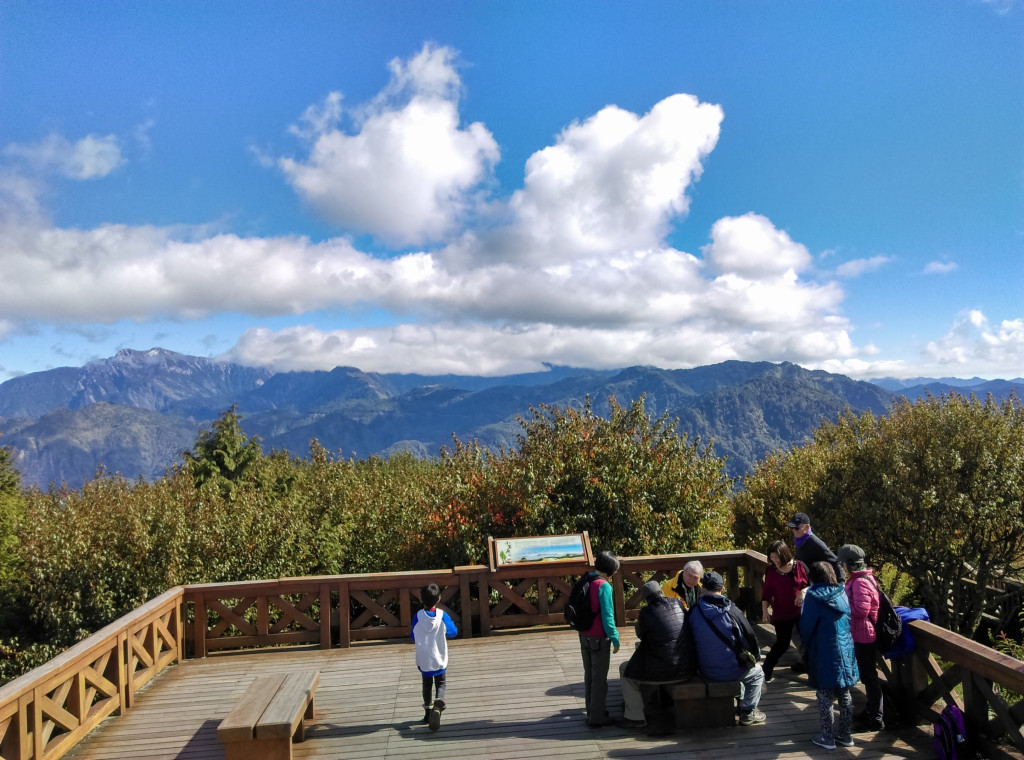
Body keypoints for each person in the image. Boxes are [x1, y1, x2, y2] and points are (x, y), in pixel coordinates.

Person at [688, 571, 766, 726]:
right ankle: (748, 711)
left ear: (703, 589)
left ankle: (740, 700)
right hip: (731, 671)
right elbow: (750, 639)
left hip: (704, 670)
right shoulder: (733, 611)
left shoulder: (694, 612)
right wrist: (756, 658)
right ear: (722, 590)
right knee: (757, 673)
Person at [617, 581, 696, 729]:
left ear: (646, 599)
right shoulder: (678, 604)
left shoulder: (646, 612)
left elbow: (640, 634)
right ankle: (651, 702)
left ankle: (635, 717)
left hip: (665, 672)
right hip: (687, 668)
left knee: (625, 670)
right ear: (661, 592)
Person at [800, 561, 859, 750]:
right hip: (845, 648)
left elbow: (807, 625)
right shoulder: (842, 592)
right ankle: (846, 734)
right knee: (844, 691)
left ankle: (827, 736)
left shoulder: (813, 595)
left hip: (823, 648)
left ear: (813, 577)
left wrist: (805, 646)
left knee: (824, 692)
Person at [837, 544, 885, 732]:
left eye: (842, 563)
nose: (841, 566)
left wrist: (842, 605)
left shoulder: (860, 582)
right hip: (860, 633)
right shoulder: (859, 579)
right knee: (867, 676)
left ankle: (876, 718)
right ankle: (872, 711)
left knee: (869, 677)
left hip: (864, 636)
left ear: (850, 564)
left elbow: (861, 610)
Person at [579, 551, 621, 727]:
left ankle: (591, 710)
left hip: (583, 635)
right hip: (598, 638)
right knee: (599, 678)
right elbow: (608, 617)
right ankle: (597, 718)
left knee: (589, 674)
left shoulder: (585, 579)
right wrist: (615, 638)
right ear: (611, 571)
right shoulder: (604, 586)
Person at [411, 583, 458, 731]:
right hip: (439, 658)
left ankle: (427, 713)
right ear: (439, 599)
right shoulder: (442, 616)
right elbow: (453, 632)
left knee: (426, 684)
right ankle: (439, 703)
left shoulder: (418, 617)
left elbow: (413, 635)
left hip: (424, 659)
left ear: (421, 600)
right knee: (441, 683)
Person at [760, 540, 809, 681]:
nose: (774, 560)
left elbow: (812, 585)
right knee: (782, 643)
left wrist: (803, 592)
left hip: (802, 613)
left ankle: (811, 670)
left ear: (784, 554)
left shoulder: (800, 566)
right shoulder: (771, 570)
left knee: (807, 642)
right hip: (782, 613)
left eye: (777, 557)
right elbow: (766, 592)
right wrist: (764, 610)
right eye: (771, 557)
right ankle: (766, 669)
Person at [786, 512, 845, 582]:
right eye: (792, 527)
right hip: (806, 584)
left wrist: (841, 583)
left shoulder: (815, 543)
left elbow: (835, 562)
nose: (794, 530)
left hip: (819, 586)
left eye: (797, 527)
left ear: (807, 527)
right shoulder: (799, 541)